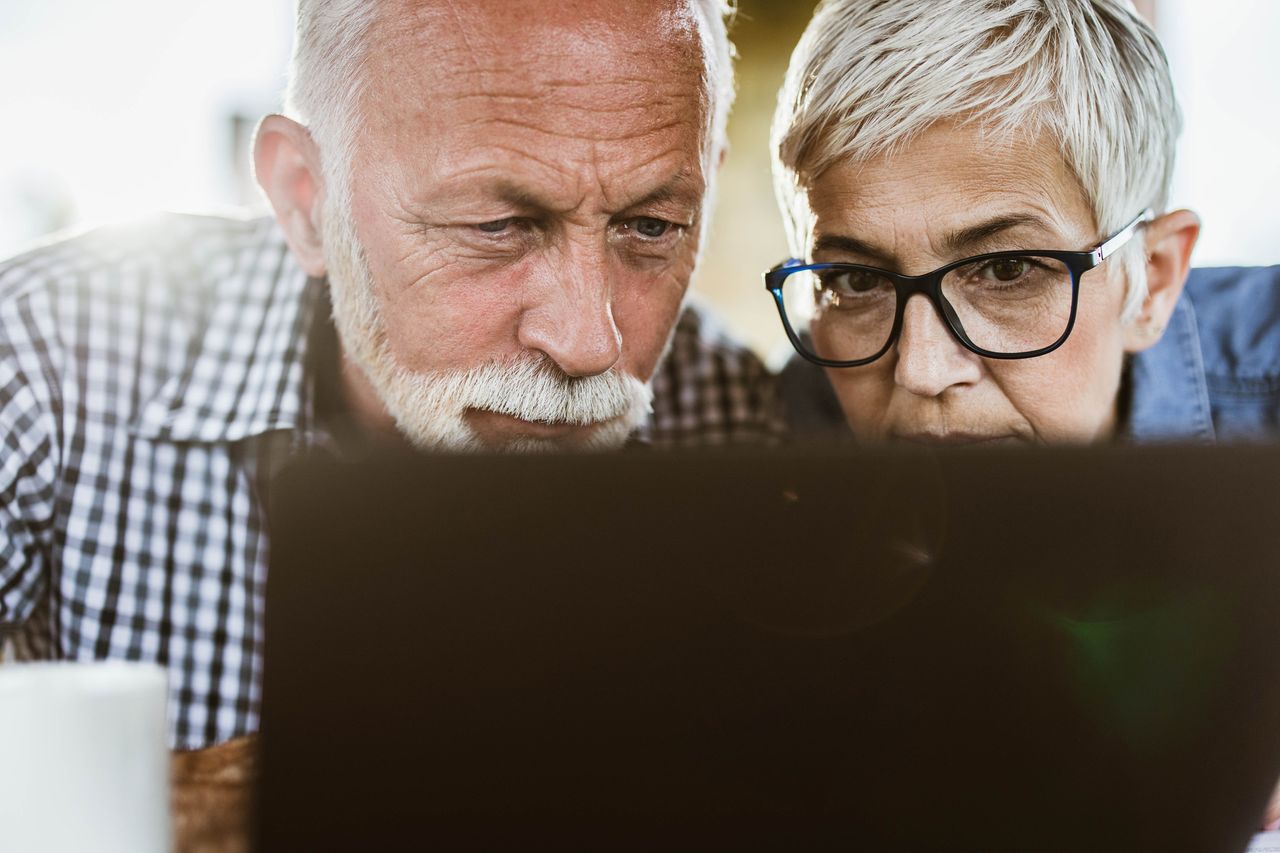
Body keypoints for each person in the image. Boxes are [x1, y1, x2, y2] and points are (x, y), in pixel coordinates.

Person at [0, 0, 782, 753]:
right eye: (495, 226)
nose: (587, 342)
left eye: (651, 227)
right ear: (306, 199)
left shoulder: (732, 416)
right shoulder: (43, 363)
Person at [770, 0, 1280, 447]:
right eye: (856, 281)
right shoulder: (781, 428)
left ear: (1154, 279)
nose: (921, 370)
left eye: (1007, 271)